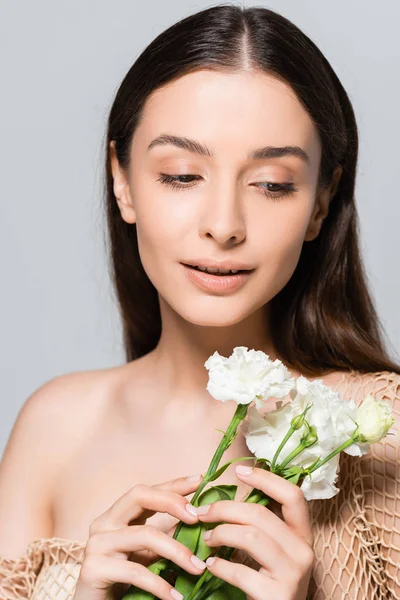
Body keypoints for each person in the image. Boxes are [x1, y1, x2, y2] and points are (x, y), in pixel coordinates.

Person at [0, 3, 399, 599]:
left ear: (320, 202)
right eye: (183, 175)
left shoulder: (379, 436)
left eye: (272, 184)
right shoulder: (55, 427)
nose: (224, 224)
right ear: (123, 181)